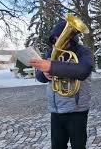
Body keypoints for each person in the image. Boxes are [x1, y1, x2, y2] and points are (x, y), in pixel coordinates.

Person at [29, 21, 92, 149]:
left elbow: (84, 70)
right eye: (56, 39)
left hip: (77, 110)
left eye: (63, 38)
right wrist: (44, 73)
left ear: (72, 38)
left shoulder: (83, 51)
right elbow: (39, 76)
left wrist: (52, 67)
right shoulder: (51, 53)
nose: (59, 43)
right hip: (56, 110)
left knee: (79, 146)